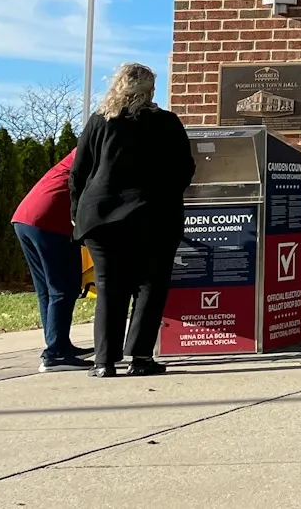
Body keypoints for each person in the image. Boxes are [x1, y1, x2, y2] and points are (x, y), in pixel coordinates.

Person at [70, 63, 195, 378]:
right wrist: (167, 195)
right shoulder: (166, 122)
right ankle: (140, 358)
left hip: (101, 217)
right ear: (151, 89)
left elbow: (79, 172)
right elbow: (185, 168)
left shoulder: (99, 122)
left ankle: (104, 362)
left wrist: (77, 214)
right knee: (150, 285)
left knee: (109, 287)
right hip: (154, 214)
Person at [12, 151, 93, 372]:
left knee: (48, 290)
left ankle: (58, 345)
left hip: (26, 218)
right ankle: (56, 354)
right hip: (49, 220)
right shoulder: (99, 149)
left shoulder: (85, 148)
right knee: (63, 286)